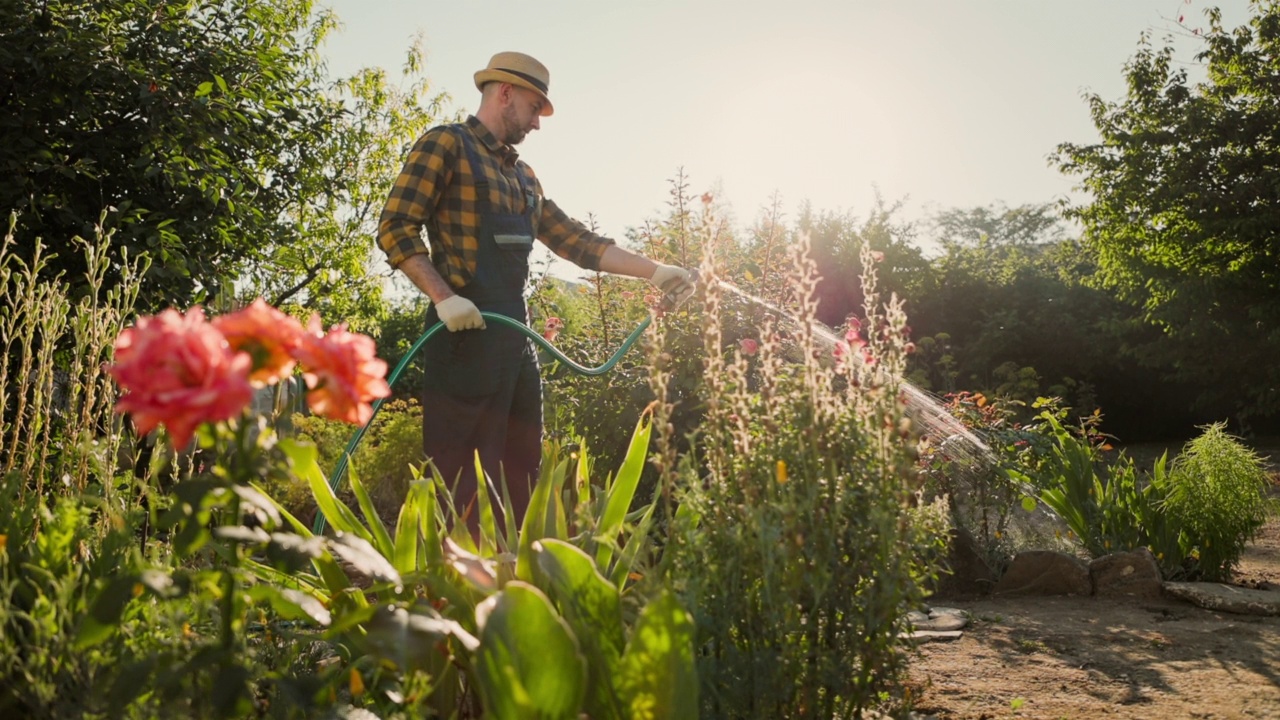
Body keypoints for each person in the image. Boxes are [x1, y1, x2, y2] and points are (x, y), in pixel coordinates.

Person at [377, 51, 695, 534]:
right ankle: (457, 597)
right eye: (534, 107)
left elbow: (578, 243)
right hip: (462, 339)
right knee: (461, 484)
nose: (538, 124)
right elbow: (396, 228)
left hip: (515, 342)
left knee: (521, 476)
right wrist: (444, 297)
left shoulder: (524, 178)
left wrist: (657, 271)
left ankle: (516, 591)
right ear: (504, 93)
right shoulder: (446, 145)